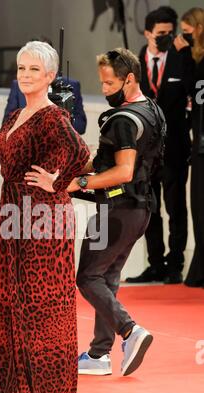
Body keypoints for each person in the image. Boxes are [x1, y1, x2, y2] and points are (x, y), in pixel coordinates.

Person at [27, 48, 165, 377]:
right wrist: (68, 174)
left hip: (116, 209)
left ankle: (131, 332)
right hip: (140, 210)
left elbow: (122, 171)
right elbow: (106, 160)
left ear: (129, 80)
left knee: (88, 277)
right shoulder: (152, 111)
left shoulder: (121, 121)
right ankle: (99, 355)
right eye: (101, 83)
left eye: (109, 84)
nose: (104, 90)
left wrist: (76, 183)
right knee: (107, 277)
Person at [0, 41, 90, 393]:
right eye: (21, 68)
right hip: (13, 215)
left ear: (50, 76)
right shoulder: (14, 116)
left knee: (42, 312)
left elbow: (81, 153)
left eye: (33, 70)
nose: (24, 75)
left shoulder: (54, 116)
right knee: (11, 306)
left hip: (43, 221)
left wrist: (57, 182)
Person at [126, 7, 194, 284]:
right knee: (148, 207)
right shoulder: (134, 62)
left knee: (175, 206)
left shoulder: (182, 59)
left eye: (170, 32)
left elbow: (191, 95)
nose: (167, 37)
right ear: (148, 33)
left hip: (176, 147)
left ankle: (174, 264)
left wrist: (187, 52)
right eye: (161, 33)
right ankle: (155, 263)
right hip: (143, 151)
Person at [3, 38, 87, 135]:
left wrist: (62, 117)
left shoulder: (69, 86)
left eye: (35, 68)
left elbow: (81, 126)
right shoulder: (19, 85)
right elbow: (6, 124)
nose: (26, 75)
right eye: (21, 68)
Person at [179, 8, 204, 287]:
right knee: (197, 207)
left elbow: (194, 90)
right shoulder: (193, 58)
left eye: (188, 30)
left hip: (201, 143)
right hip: (198, 143)